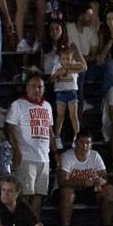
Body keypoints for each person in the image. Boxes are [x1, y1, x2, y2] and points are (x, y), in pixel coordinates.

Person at [5, 74, 53, 217]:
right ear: (27, 88)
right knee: (25, 195)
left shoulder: (48, 106)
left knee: (39, 195)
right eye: (33, 86)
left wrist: (55, 153)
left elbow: (50, 131)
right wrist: (16, 150)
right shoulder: (18, 104)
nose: (37, 89)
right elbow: (9, 128)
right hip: (26, 157)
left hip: (44, 158)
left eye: (40, 86)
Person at [57, 132, 113, 226]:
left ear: (91, 144)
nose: (85, 146)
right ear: (75, 143)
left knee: (109, 190)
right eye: (82, 142)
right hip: (68, 191)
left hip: (89, 191)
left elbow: (104, 177)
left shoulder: (95, 155)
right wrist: (82, 182)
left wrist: (99, 180)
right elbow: (62, 181)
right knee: (68, 192)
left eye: (88, 143)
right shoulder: (66, 156)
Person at [42, 17, 84, 150]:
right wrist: (57, 74)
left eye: (57, 29)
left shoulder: (71, 46)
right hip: (53, 83)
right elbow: (43, 68)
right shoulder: (45, 47)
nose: (54, 32)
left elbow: (84, 66)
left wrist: (67, 70)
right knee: (57, 113)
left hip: (69, 82)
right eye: (51, 30)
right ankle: (55, 141)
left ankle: (74, 139)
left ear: (62, 30)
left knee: (73, 113)